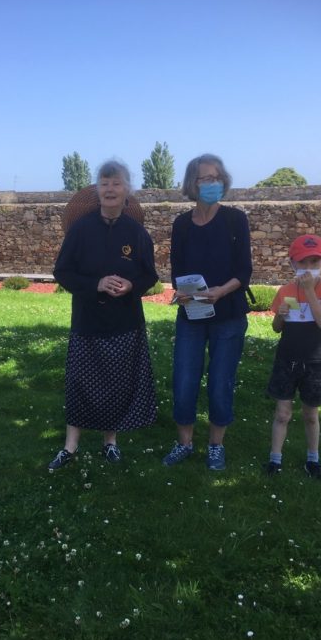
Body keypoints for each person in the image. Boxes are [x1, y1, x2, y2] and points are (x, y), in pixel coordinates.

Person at [48, 160, 158, 470]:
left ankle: (110, 442)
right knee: (80, 383)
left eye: (116, 183)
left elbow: (150, 275)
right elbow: (62, 272)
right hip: (88, 321)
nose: (110, 189)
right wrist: (95, 284)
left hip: (124, 322)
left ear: (127, 191)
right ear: (97, 190)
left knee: (117, 383)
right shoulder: (81, 230)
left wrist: (131, 285)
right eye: (104, 183)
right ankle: (70, 447)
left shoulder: (136, 233)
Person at [162, 154, 252, 471]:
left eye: (216, 177)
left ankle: (216, 445)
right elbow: (177, 271)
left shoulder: (235, 220)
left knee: (220, 381)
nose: (211, 183)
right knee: (184, 379)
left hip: (228, 314)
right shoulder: (182, 225)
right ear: (192, 183)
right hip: (192, 316)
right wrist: (184, 293)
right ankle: (184, 443)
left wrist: (221, 291)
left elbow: (244, 271)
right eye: (204, 178)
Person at [266, 234, 321, 478]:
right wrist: (280, 315)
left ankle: (313, 459)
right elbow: (277, 327)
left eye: (314, 262)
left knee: (310, 414)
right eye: (303, 263)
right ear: (292, 264)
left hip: (315, 359)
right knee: (283, 413)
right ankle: (275, 460)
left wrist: (309, 291)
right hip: (287, 358)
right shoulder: (286, 290)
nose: (308, 269)